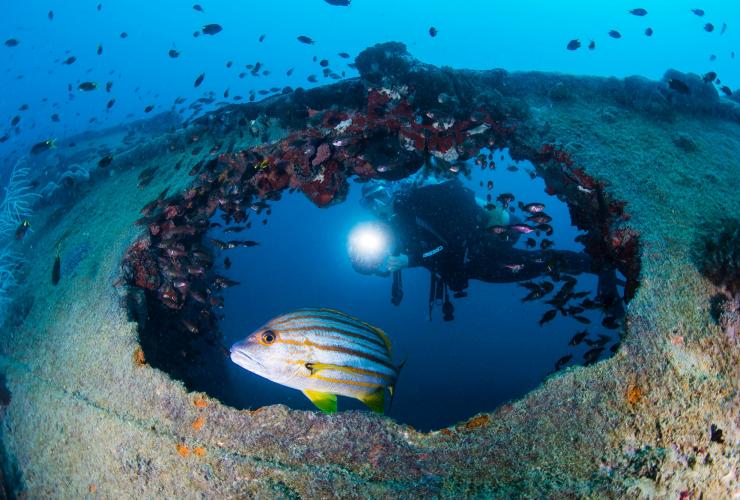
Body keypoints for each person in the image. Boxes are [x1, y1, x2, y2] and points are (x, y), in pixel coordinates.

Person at [350, 168, 617, 320]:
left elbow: (447, 245)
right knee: (539, 266)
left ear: (389, 191)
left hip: (482, 249)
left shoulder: (414, 206)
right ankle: (595, 265)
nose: (378, 206)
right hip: (473, 269)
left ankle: (600, 265)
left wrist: (412, 260)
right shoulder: (395, 228)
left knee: (537, 261)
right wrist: (372, 265)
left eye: (380, 196)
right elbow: (390, 261)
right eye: (370, 202)